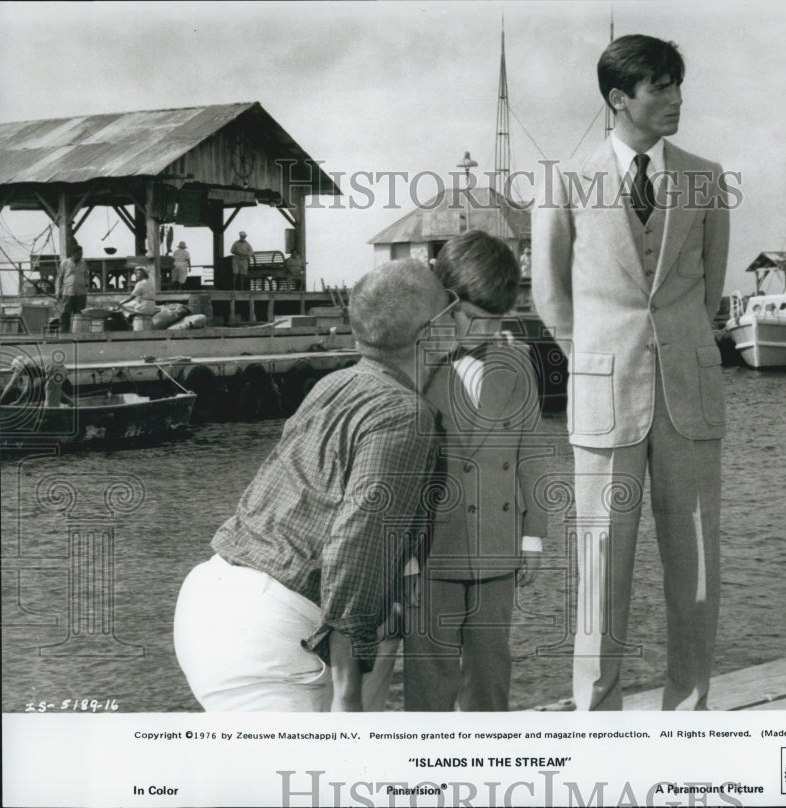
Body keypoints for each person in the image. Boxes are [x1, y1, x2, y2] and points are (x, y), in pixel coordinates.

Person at [531, 34, 729, 711]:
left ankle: (689, 713)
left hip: (690, 399)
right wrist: (594, 362)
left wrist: (674, 347)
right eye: (660, 87)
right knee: (600, 569)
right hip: (604, 402)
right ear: (620, 98)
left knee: (696, 567)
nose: (676, 98)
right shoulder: (566, 181)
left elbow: (708, 294)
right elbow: (549, 296)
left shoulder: (706, 178)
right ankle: (597, 719)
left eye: (678, 84)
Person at [173, 259, 459, 711]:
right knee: (310, 777)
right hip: (271, 632)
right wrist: (347, 697)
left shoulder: (333, 384)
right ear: (430, 333)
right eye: (451, 309)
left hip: (212, 598)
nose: (460, 318)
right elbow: (357, 547)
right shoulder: (405, 415)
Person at [403, 230, 546, 712]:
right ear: (444, 303)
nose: (484, 331)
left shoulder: (518, 364)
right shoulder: (414, 365)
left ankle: (489, 769)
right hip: (430, 550)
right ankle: (427, 777)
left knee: (490, 671)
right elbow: (396, 465)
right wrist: (401, 549)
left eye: (496, 321)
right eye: (472, 318)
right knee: (429, 674)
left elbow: (531, 457)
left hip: (497, 549)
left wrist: (533, 539)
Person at [0, 355, 73, 408]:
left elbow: (10, 384)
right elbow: (28, 388)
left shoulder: (23, 365)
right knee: (54, 390)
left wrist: (0, 400)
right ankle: (73, 405)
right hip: (62, 370)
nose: (16, 373)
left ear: (16, 366)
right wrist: (19, 401)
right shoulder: (30, 366)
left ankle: (50, 413)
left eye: (15, 370)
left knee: (49, 390)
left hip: (56, 372)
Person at [55, 245, 89, 333]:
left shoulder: (84, 263)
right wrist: (57, 290)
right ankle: (64, 333)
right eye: (79, 253)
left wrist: (86, 284)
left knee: (80, 314)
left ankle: (78, 334)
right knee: (65, 313)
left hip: (81, 293)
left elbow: (86, 276)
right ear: (73, 254)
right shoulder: (65, 263)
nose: (81, 255)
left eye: (82, 253)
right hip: (67, 292)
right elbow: (59, 277)